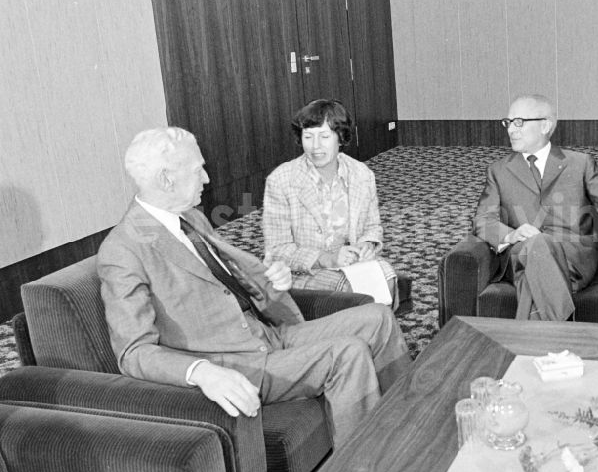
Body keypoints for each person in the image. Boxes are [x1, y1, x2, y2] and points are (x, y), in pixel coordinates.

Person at [97, 127, 410, 444]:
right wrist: (202, 372)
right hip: (237, 362)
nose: (206, 178)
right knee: (347, 353)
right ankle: (366, 471)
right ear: (167, 179)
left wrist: (273, 281)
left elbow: (226, 279)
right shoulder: (124, 250)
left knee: (377, 318)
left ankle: (410, 424)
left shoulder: (189, 218)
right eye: (198, 170)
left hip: (267, 335)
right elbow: (133, 351)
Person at [473, 93, 598, 321]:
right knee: (536, 247)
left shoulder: (580, 164)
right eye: (508, 122)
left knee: (532, 271)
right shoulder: (498, 171)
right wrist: (511, 235)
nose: (511, 129)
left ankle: (538, 345)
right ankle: (556, 340)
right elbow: (483, 220)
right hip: (521, 254)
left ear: (545, 125)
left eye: (519, 122)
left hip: (573, 259)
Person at [263, 99, 398, 308]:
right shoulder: (281, 180)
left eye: (324, 137)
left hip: (351, 262)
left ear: (341, 138)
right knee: (350, 291)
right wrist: (326, 259)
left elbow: (373, 226)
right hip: (304, 271)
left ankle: (372, 335)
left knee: (387, 276)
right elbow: (277, 249)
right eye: (308, 137)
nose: (315, 146)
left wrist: (367, 244)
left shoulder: (361, 174)